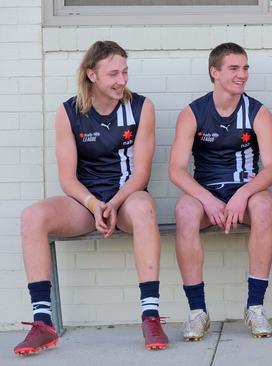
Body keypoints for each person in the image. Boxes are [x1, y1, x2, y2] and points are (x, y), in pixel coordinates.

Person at [14, 41, 168, 355]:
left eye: (125, 72)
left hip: (125, 200)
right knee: (32, 216)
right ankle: (43, 323)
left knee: (143, 208)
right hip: (86, 204)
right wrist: (95, 205)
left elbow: (141, 174)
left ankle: (150, 315)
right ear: (91, 75)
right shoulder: (69, 112)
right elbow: (67, 178)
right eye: (113, 73)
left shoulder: (141, 107)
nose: (122, 80)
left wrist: (112, 204)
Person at [169, 43, 272, 339]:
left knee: (264, 206)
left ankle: (255, 307)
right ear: (214, 72)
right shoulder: (193, 113)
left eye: (245, 68)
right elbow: (176, 169)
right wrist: (206, 199)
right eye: (234, 68)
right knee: (184, 211)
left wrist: (243, 194)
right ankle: (197, 312)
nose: (242, 74)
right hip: (207, 193)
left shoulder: (258, 112)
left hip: (245, 191)